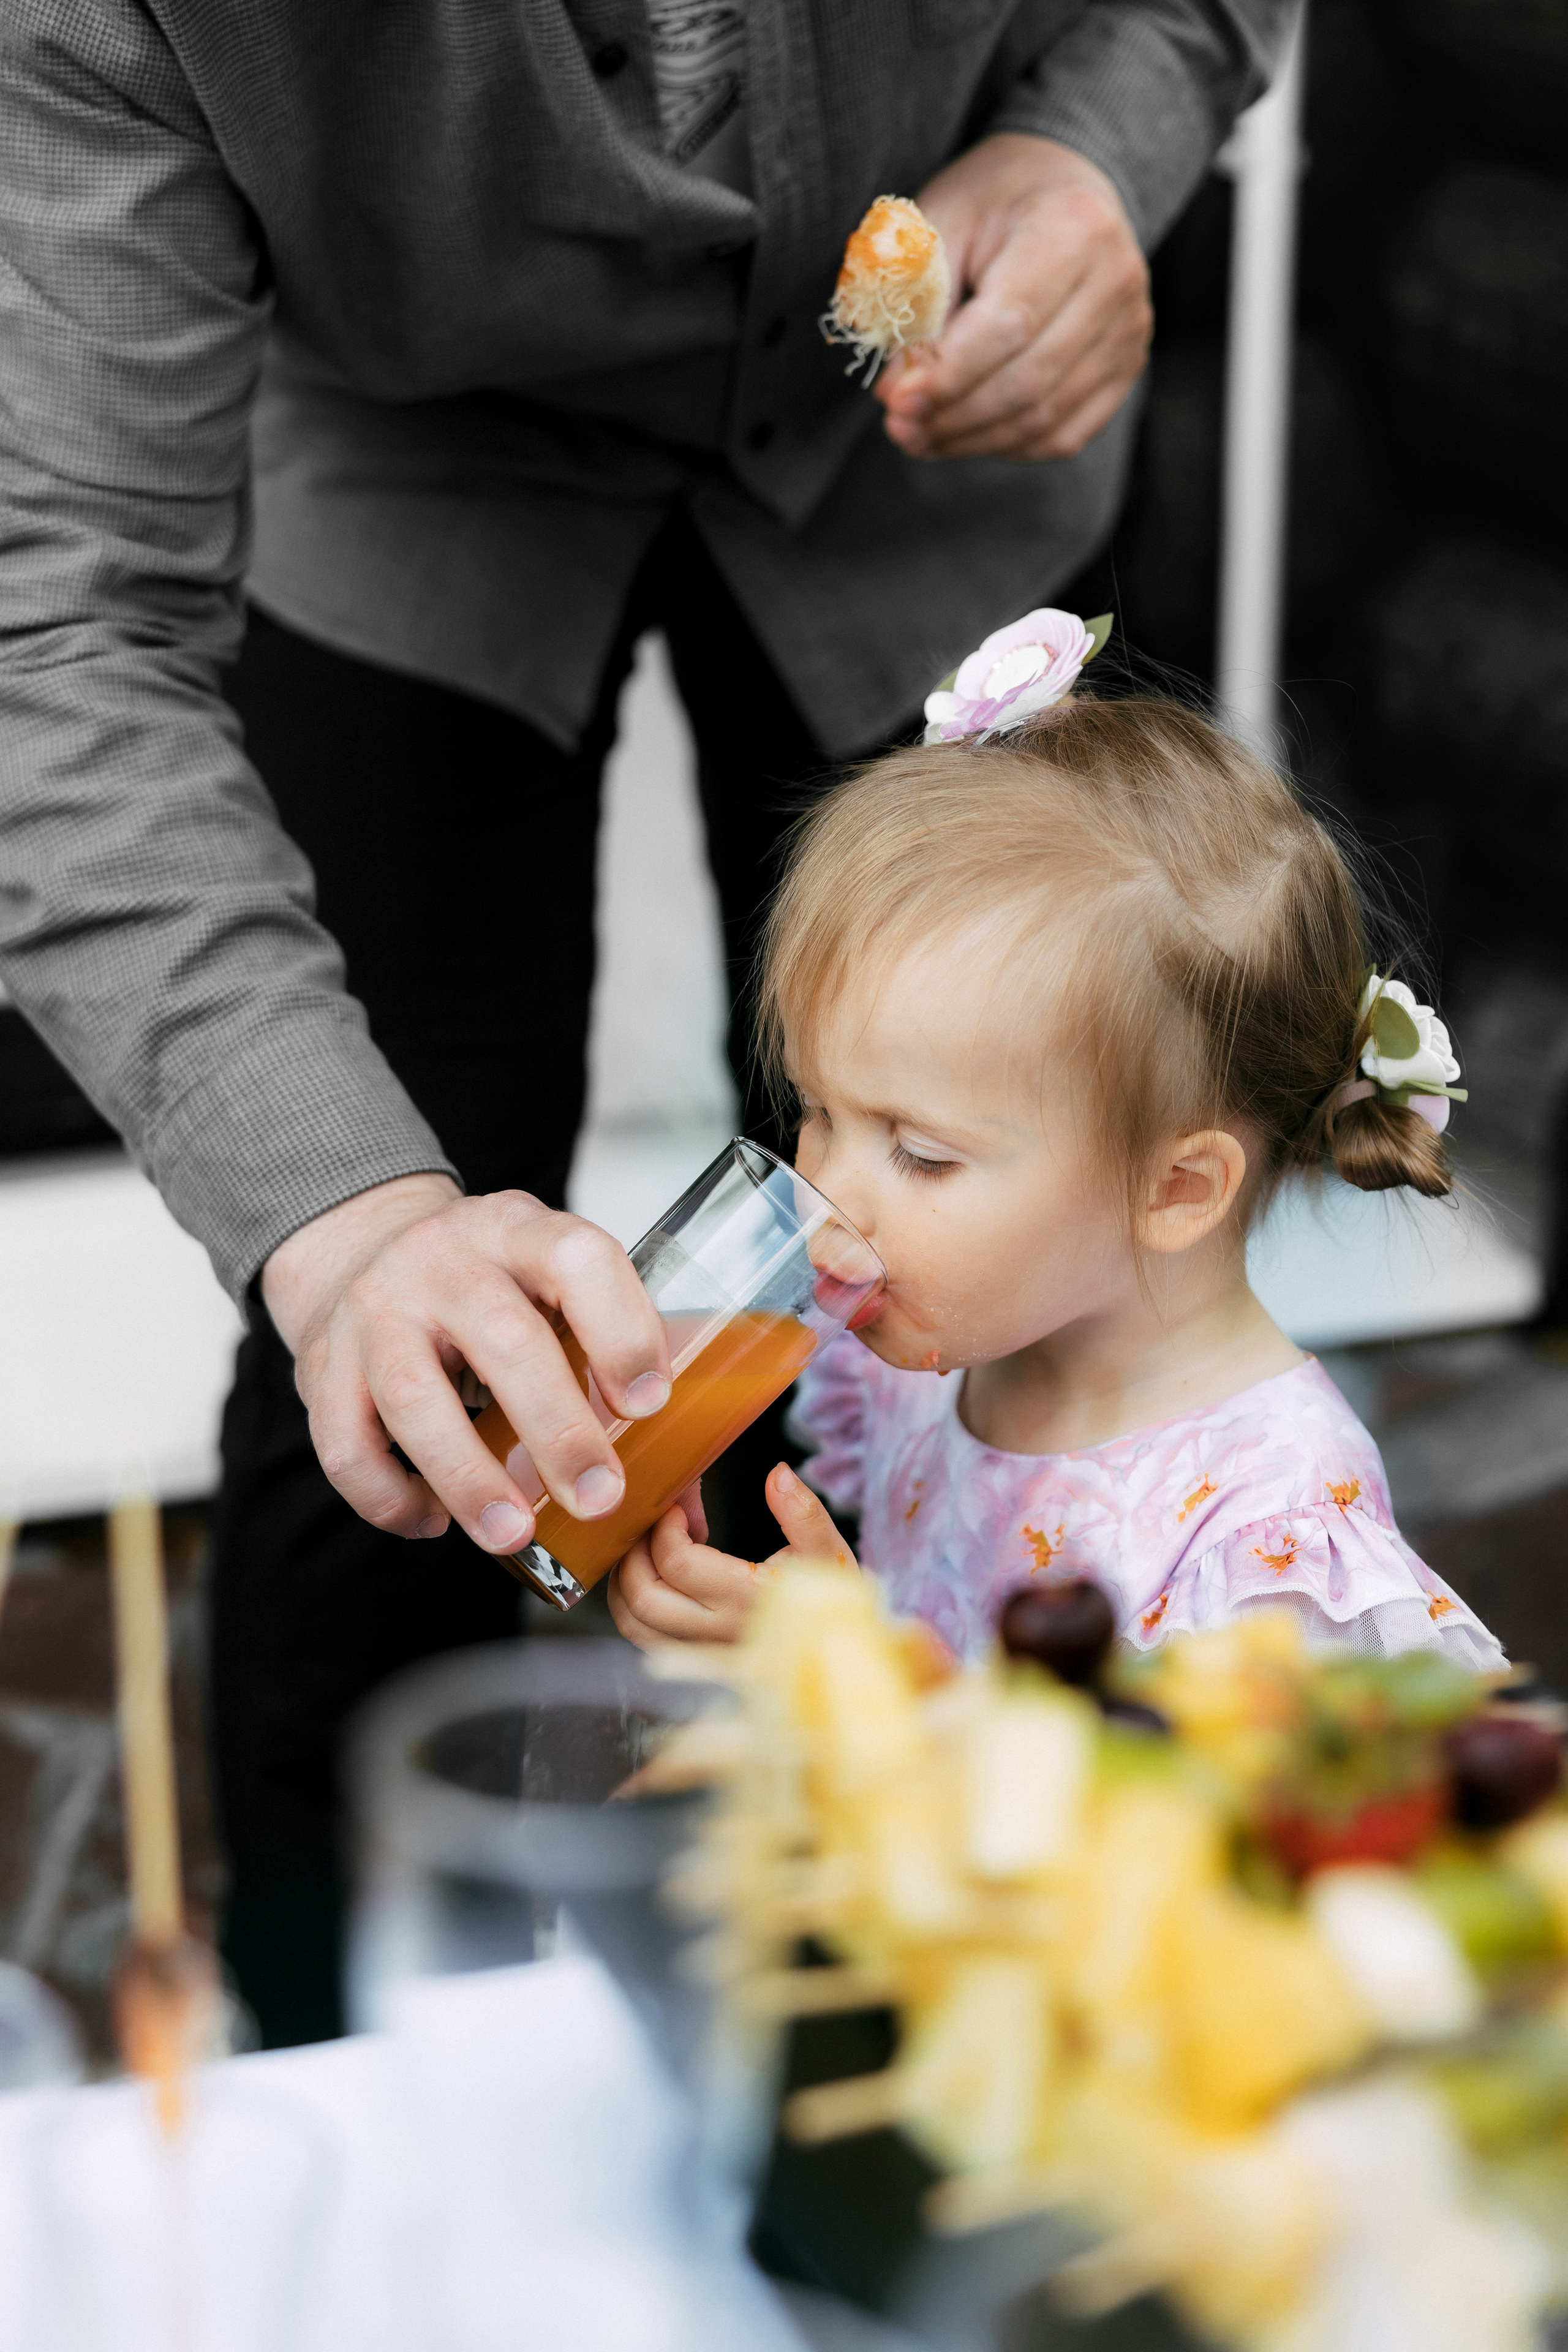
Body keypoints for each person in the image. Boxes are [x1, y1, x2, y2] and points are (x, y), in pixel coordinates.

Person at [0, 1, 1290, 2038]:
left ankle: (891, 2018)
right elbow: (51, 622)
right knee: (409, 1388)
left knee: (963, 1276)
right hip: (414, 470)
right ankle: (344, 2051)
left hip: (939, 467)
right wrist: (344, 1223)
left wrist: (1095, 142)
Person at [605, 612, 1504, 1670]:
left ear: (1174, 1188)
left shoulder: (1269, 1541)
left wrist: (864, 1687)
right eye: (814, 1111)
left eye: (925, 1155)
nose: (825, 1197)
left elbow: (1159, 1828)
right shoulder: (944, 1348)